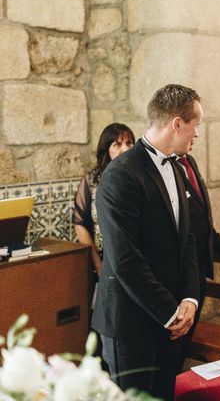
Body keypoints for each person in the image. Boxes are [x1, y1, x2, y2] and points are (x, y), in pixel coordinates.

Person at [93, 84, 201, 400]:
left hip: (171, 319)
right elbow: (126, 258)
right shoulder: (120, 175)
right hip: (131, 322)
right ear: (177, 124)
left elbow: (187, 239)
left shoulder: (178, 168)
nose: (198, 134)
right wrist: (169, 312)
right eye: (197, 124)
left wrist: (189, 300)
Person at [175, 149, 220, 366]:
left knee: (186, 334)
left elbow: (200, 215)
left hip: (200, 265)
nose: (196, 136)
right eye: (193, 128)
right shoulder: (167, 167)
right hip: (181, 268)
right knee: (176, 340)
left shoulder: (188, 161)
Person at [73, 123, 135, 278]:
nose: (125, 149)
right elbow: (80, 225)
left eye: (129, 143)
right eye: (117, 144)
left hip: (134, 260)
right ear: (106, 149)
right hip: (103, 261)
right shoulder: (91, 181)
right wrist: (98, 265)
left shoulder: (139, 179)